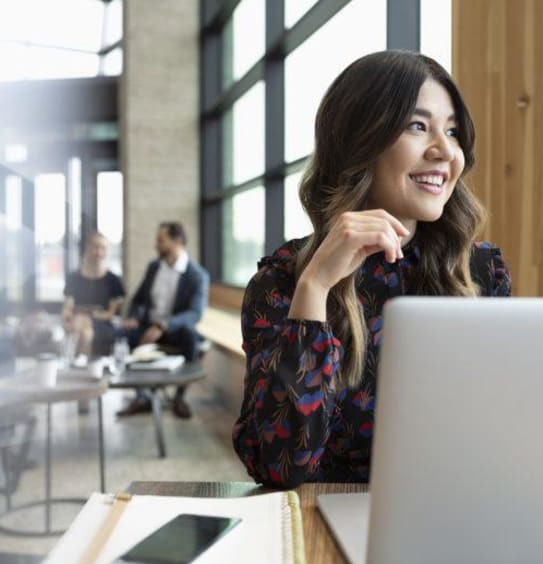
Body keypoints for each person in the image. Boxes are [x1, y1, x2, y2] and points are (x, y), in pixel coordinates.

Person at [232, 50, 512, 489]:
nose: (444, 151)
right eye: (418, 126)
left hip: (452, 517)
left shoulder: (481, 272)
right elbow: (278, 466)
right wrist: (316, 287)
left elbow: (499, 437)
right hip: (325, 524)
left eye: (453, 131)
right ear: (361, 140)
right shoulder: (283, 281)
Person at [116, 222, 209, 419]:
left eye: (161, 240)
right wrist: (133, 317)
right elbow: (139, 299)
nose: (156, 245)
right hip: (147, 326)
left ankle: (179, 398)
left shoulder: (197, 275)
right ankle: (142, 397)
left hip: (174, 330)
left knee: (191, 339)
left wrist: (163, 326)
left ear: (177, 241)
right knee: (119, 336)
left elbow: (195, 313)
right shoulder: (154, 267)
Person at [62, 232, 125, 359]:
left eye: (103, 248)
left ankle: (76, 364)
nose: (99, 252)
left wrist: (89, 316)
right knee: (84, 331)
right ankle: (84, 366)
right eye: (95, 247)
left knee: (84, 329)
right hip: (77, 321)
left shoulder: (113, 280)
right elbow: (68, 305)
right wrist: (65, 317)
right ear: (87, 248)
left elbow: (110, 313)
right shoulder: (74, 277)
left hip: (102, 322)